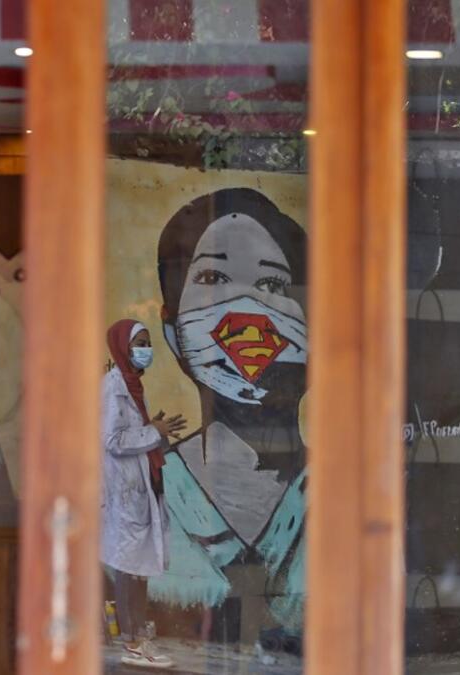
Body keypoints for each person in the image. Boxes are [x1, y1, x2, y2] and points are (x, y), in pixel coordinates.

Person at [149, 188, 308, 642]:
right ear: (173, 332)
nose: (245, 310)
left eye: (273, 285)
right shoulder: (149, 493)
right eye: (213, 278)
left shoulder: (343, 498)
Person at [101, 318, 187, 669]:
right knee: (130, 568)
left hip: (139, 488)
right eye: (140, 342)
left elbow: (134, 435)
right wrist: (153, 431)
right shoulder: (113, 387)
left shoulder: (133, 386)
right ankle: (133, 641)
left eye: (148, 342)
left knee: (138, 567)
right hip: (126, 493)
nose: (146, 349)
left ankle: (137, 637)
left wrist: (157, 431)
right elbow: (112, 440)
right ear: (123, 345)